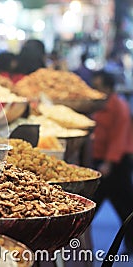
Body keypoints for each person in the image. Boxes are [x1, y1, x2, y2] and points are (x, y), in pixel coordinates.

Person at [91, 70, 133, 255]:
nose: (95, 91)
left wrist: (108, 163)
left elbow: (119, 139)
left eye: (98, 87)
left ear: (108, 88)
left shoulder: (119, 107)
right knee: (96, 203)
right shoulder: (99, 104)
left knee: (125, 207)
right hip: (101, 161)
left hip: (115, 164)